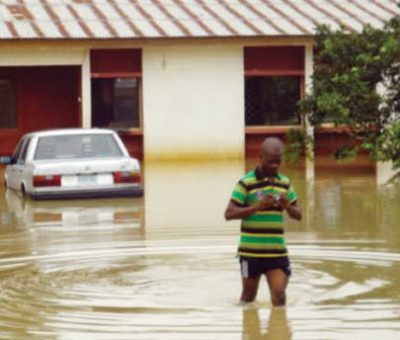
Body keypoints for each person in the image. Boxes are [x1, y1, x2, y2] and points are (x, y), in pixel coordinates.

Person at [224, 137, 302, 306]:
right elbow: (229, 213)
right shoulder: (246, 183)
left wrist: (287, 205)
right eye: (270, 161)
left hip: (277, 253)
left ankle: (280, 330)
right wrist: (256, 207)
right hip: (249, 255)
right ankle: (248, 330)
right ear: (260, 157)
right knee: (248, 298)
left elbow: (298, 215)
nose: (275, 165)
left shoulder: (285, 183)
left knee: (279, 295)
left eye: (278, 162)